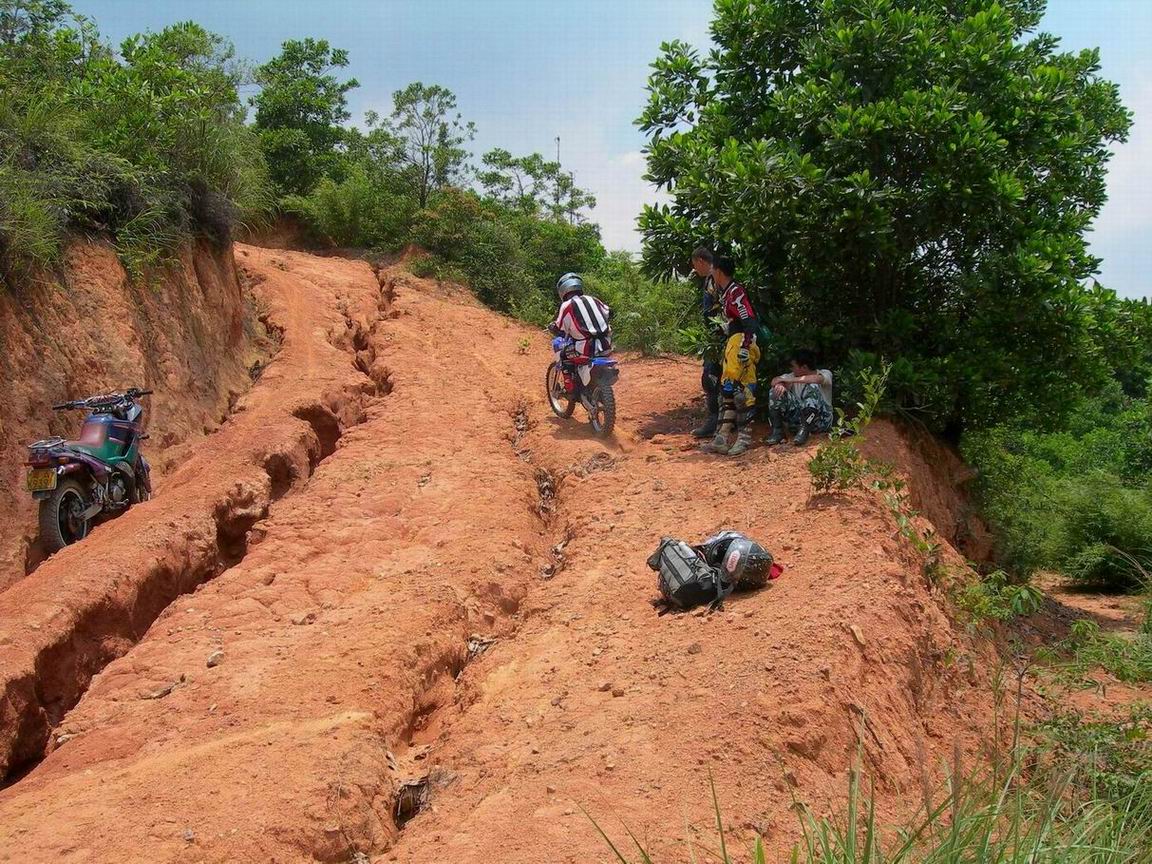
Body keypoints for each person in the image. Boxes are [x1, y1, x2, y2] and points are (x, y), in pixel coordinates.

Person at [702, 256, 760, 456]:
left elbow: (749, 320)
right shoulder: (727, 293)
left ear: (718, 271)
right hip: (734, 343)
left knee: (742, 392)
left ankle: (744, 439)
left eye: (712, 270)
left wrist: (745, 346)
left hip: (741, 342)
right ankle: (722, 438)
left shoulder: (736, 292)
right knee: (728, 390)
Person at [549, 272, 613, 393]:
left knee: (563, 354)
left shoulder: (566, 305)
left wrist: (553, 328)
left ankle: (570, 389)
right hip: (606, 345)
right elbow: (609, 312)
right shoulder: (594, 300)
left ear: (562, 291)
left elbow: (559, 327)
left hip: (585, 348)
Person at [766, 349, 834, 446]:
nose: (791, 369)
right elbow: (774, 381)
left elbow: (816, 379)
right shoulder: (792, 376)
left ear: (804, 367)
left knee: (812, 385)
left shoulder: (825, 373)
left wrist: (790, 380)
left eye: (793, 366)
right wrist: (780, 384)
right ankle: (778, 431)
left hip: (820, 422)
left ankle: (805, 430)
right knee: (775, 390)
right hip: (798, 421)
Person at [689, 247, 723, 438]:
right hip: (720, 335)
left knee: (710, 378)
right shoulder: (713, 278)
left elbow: (717, 309)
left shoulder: (713, 279)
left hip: (718, 337)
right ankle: (723, 420)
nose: (695, 269)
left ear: (701, 261)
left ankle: (714, 420)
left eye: (695, 264)